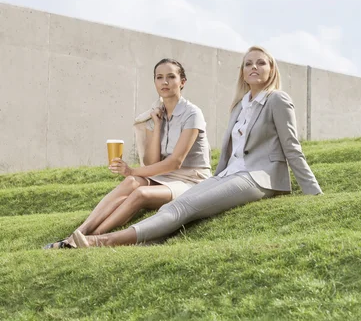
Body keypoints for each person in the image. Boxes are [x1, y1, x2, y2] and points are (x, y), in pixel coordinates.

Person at [71, 45, 322, 248]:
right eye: (248, 63)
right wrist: (216, 178)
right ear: (243, 73)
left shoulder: (277, 99)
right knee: (172, 207)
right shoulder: (239, 106)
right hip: (230, 174)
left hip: (259, 177)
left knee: (184, 206)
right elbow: (229, 154)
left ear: (271, 70)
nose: (254, 67)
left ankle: (102, 241)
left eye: (261, 63)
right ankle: (150, 239)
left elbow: (292, 147)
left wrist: (313, 192)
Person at [44, 58, 211, 249]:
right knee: (130, 183)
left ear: (182, 82)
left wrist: (132, 170)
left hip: (192, 181)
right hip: (165, 177)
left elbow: (175, 162)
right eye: (159, 77)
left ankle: (89, 239)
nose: (164, 82)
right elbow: (151, 162)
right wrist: (157, 126)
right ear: (155, 82)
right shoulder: (155, 114)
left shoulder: (193, 113)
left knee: (140, 192)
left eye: (171, 77)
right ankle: (78, 233)